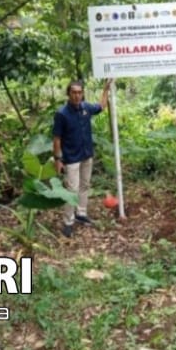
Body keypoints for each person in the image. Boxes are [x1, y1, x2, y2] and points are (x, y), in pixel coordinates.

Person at [52, 79, 111, 237]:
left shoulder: (86, 108)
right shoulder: (62, 114)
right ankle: (68, 222)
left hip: (86, 155)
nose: (77, 96)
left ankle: (81, 213)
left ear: (83, 93)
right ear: (69, 94)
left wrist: (105, 90)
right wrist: (58, 159)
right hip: (71, 158)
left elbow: (101, 106)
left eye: (79, 92)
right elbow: (57, 139)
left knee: (85, 185)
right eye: (74, 92)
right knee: (72, 190)